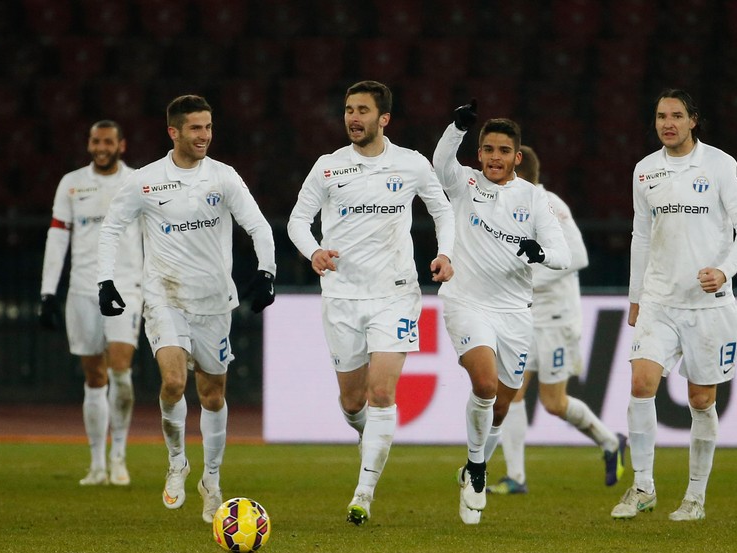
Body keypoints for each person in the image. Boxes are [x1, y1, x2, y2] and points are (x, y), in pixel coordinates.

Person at [96, 95, 277, 524]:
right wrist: (105, 280)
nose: (205, 136)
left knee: (212, 395)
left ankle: (211, 479)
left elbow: (257, 225)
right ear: (173, 131)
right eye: (196, 128)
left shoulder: (223, 177)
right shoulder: (146, 180)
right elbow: (112, 227)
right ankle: (177, 462)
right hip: (165, 297)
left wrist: (267, 271)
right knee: (174, 382)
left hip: (214, 302)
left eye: (209, 127)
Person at [287, 80, 455, 526]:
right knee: (352, 400)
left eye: (362, 110)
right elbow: (298, 220)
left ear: (384, 119)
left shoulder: (411, 164)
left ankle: (363, 491)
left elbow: (442, 210)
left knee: (382, 391)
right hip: (342, 296)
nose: (353, 118)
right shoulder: (328, 167)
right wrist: (313, 252)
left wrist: (446, 252)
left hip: (396, 294)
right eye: (347, 109)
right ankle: (371, 440)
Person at [612, 89, 737, 522]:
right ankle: (642, 486)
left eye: (676, 115)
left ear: (693, 120)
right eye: (660, 116)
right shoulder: (645, 171)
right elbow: (641, 235)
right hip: (659, 299)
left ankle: (695, 496)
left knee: (700, 399)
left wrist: (724, 270)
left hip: (708, 305)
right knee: (641, 384)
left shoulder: (719, 164)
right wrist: (636, 297)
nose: (667, 123)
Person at [432, 101, 571, 524]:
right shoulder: (464, 184)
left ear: (517, 156)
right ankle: (476, 469)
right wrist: (455, 127)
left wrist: (540, 252)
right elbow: (440, 164)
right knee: (486, 383)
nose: (495, 157)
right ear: (479, 154)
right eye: (488, 149)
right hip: (466, 301)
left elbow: (563, 255)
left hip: (514, 311)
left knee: (503, 405)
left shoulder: (533, 199)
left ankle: (475, 463)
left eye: (503, 150)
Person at [486, 145, 625, 496]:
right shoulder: (508, 207)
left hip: (557, 319)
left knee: (553, 402)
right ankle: (516, 477)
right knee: (512, 393)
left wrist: (527, 280)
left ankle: (610, 442)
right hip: (527, 317)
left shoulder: (550, 205)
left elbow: (577, 256)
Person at [39, 120, 142, 487]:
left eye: (108, 141)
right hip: (82, 289)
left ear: (121, 145)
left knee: (121, 373)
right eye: (96, 141)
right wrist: (47, 291)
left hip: (126, 288)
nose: (101, 147)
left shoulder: (136, 183)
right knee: (94, 377)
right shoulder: (71, 183)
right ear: (89, 144)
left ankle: (119, 458)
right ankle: (97, 463)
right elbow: (57, 238)